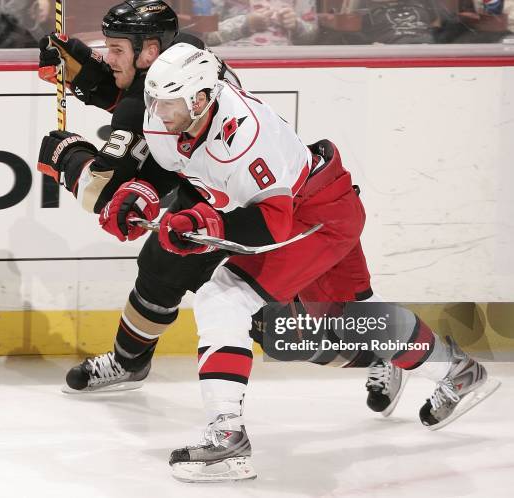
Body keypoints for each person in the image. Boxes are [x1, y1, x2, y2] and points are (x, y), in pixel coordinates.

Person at [102, 42, 500, 482]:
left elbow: (272, 225)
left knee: (224, 299)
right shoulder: (176, 113)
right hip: (319, 199)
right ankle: (459, 371)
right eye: (153, 99)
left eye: (167, 102)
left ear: (200, 99)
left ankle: (227, 436)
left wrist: (204, 223)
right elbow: (175, 165)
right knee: (356, 316)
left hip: (315, 215)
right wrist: (139, 193)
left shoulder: (249, 136)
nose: (156, 110)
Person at [36, 0, 242, 394]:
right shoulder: (183, 50)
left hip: (243, 200)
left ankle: (390, 349)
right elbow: (139, 100)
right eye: (107, 47)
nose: (107, 56)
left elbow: (102, 192)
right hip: (205, 180)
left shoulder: (147, 98)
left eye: (116, 50)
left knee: (258, 306)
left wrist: (68, 156)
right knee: (159, 268)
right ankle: (129, 362)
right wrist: (81, 66)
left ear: (150, 51)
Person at [205, 0, 319, 46]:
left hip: (284, 67)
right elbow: (206, 37)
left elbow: (313, 37)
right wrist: (245, 24)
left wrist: (296, 26)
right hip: (232, 67)